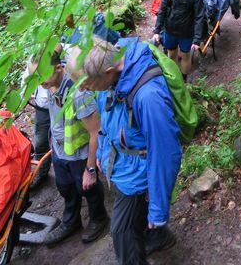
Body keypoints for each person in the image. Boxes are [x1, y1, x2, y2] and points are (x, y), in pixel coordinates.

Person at [72, 36, 182, 265]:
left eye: (86, 84)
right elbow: (106, 117)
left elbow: (165, 154)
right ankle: (157, 235)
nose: (82, 89)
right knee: (133, 223)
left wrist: (158, 208)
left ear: (110, 71)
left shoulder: (148, 97)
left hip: (138, 174)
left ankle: (155, 230)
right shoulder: (111, 79)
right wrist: (103, 150)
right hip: (123, 164)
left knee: (122, 232)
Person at [28, 49, 108, 247]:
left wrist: (90, 169)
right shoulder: (49, 85)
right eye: (35, 76)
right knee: (65, 187)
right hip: (60, 151)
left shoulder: (78, 94)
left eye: (42, 75)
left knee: (87, 188)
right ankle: (71, 221)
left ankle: (99, 218)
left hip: (79, 154)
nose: (39, 82)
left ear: (58, 68)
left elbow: (95, 131)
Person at [153, 0, 204, 79]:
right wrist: (157, 30)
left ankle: (184, 79)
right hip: (170, 30)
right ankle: (176, 78)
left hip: (186, 32)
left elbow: (199, 17)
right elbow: (162, 9)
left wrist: (196, 39)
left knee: (186, 55)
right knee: (171, 55)